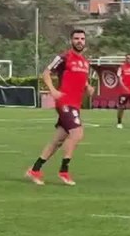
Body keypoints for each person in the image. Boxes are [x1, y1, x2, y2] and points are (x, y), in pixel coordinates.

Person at [27, 29, 91, 186]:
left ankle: (35, 169)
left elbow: (81, 81)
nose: (79, 41)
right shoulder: (63, 57)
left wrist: (88, 87)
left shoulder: (85, 62)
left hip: (75, 104)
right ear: (71, 40)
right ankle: (64, 171)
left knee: (58, 140)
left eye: (82, 39)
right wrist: (53, 90)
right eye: (76, 38)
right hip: (65, 102)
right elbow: (46, 73)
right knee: (77, 134)